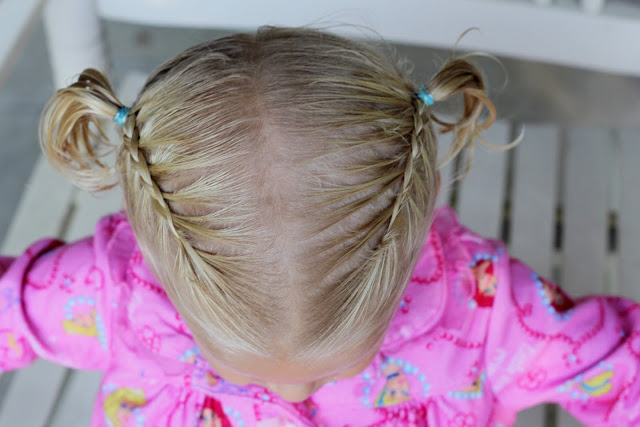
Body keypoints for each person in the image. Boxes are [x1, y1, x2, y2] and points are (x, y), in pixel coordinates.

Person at [0, 26, 637, 426]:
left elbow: (617, 368)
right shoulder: (115, 290)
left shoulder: (486, 310)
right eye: (246, 373)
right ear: (153, 252)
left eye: (335, 370)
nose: (293, 390)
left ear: (418, 226)